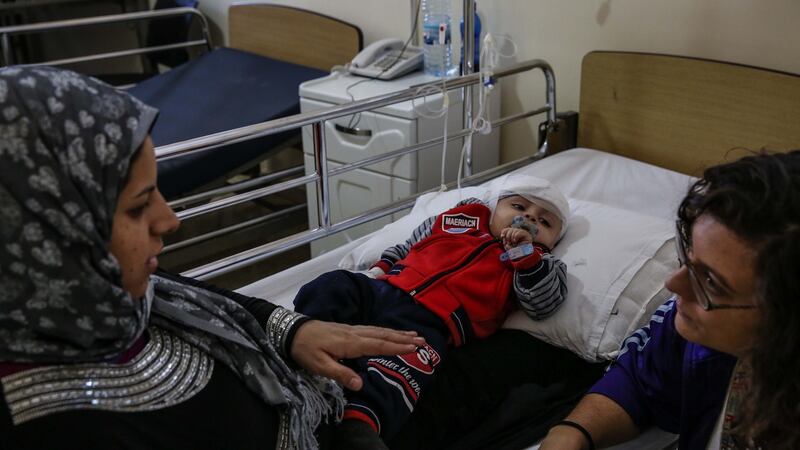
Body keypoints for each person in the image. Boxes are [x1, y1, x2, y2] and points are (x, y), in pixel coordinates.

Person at [0, 66, 426, 450]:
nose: (169, 220)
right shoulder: (58, 428)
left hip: (321, 399)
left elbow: (183, 291)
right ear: (46, 235)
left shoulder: (101, 294)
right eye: (137, 206)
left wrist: (294, 330)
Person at [539, 150, 800, 450]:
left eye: (711, 282)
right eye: (687, 259)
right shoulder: (700, 336)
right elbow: (641, 383)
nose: (674, 283)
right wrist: (573, 432)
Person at [293, 174, 570, 448]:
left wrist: (525, 256)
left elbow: (543, 304)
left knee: (401, 371)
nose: (531, 219)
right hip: (387, 288)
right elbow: (411, 245)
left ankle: (360, 422)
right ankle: (308, 359)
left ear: (554, 242)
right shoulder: (461, 218)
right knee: (332, 285)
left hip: (430, 323)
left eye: (545, 222)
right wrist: (382, 268)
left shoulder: (539, 262)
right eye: (519, 207)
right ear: (494, 207)